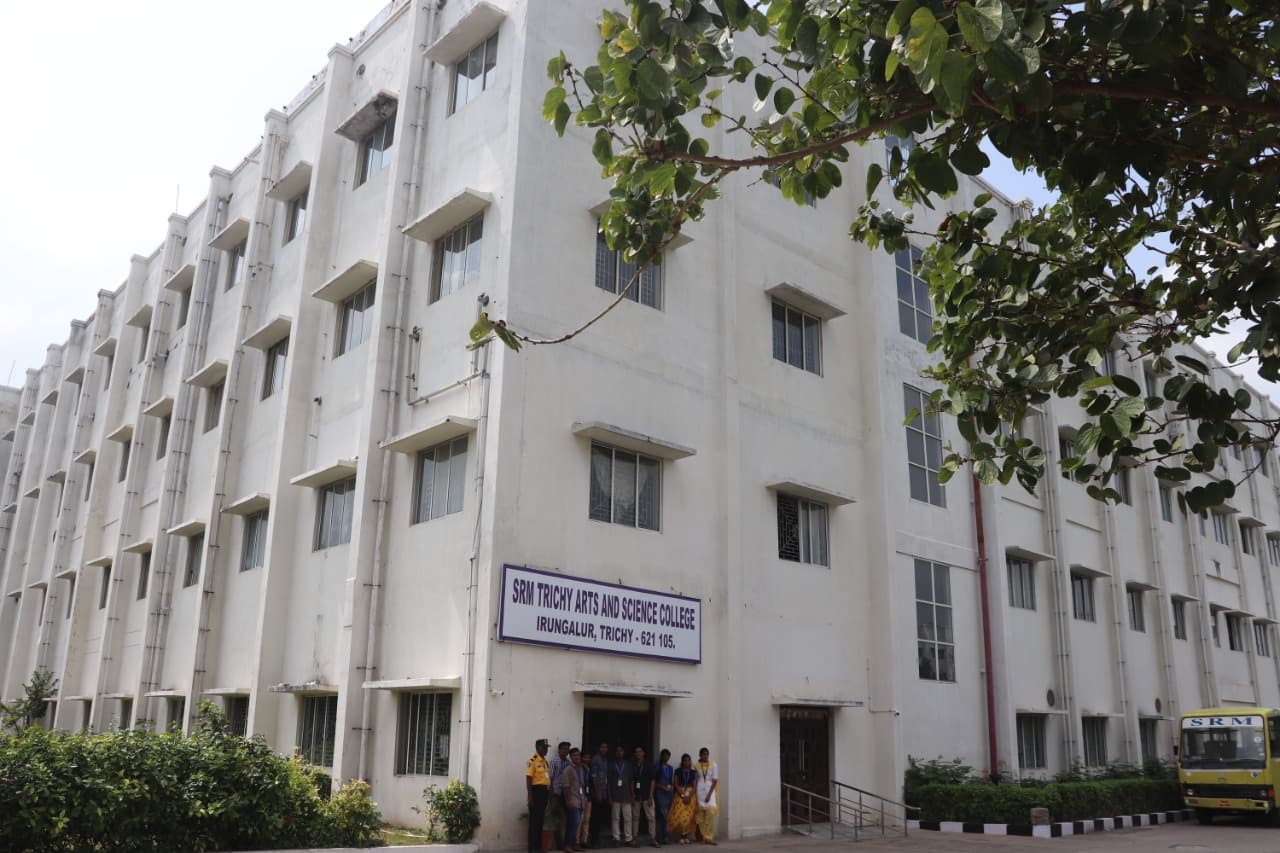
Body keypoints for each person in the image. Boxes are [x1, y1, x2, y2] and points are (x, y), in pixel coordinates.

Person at [526, 738, 552, 853]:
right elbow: (528, 779)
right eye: (544, 747)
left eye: (547, 748)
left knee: (540, 821)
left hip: (544, 792)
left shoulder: (545, 761)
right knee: (534, 822)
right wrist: (530, 797)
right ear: (537, 748)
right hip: (536, 792)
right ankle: (532, 848)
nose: (546, 750)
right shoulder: (532, 761)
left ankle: (538, 847)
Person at [607, 744, 635, 846]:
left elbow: (631, 781)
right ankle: (616, 838)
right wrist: (609, 797)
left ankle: (628, 838)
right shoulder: (611, 765)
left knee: (628, 818)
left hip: (626, 795)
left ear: (624, 752)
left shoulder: (628, 765)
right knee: (615, 818)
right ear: (615, 753)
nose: (619, 752)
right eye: (617, 751)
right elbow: (608, 782)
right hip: (615, 795)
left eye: (621, 751)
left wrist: (632, 795)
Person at [560, 747, 587, 853]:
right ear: (571, 757)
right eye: (574, 755)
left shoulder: (581, 768)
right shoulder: (568, 769)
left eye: (578, 755)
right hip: (572, 800)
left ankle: (574, 844)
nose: (577, 757)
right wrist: (568, 801)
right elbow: (566, 786)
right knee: (573, 823)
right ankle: (567, 845)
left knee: (577, 823)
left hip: (580, 800)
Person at [668, 754, 697, 845]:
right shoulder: (678, 771)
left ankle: (686, 836)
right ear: (682, 761)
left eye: (688, 760)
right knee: (680, 816)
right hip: (680, 794)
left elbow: (694, 786)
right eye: (685, 760)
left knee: (688, 817)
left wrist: (689, 796)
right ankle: (681, 836)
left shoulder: (693, 772)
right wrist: (682, 795)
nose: (687, 762)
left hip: (690, 795)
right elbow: (676, 784)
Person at [630, 746, 655, 846]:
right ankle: (635, 837)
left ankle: (652, 838)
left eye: (640, 752)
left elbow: (652, 781)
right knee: (635, 817)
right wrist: (632, 794)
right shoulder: (633, 765)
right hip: (636, 796)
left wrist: (651, 796)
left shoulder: (648, 765)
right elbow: (631, 781)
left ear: (643, 753)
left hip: (646, 795)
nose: (638, 754)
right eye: (636, 752)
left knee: (651, 817)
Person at [694, 748, 718, 845]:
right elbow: (696, 780)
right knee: (701, 815)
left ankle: (709, 837)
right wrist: (694, 793)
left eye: (707, 754)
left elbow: (715, 781)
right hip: (700, 791)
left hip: (710, 791)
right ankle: (704, 837)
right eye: (703, 754)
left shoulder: (713, 764)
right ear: (700, 755)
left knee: (711, 813)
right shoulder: (696, 765)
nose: (705, 756)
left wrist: (709, 794)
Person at [550, 741, 572, 848]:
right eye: (564, 749)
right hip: (555, 793)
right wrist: (551, 793)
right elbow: (550, 778)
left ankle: (564, 842)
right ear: (559, 750)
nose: (565, 751)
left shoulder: (569, 763)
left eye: (567, 749)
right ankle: (559, 843)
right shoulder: (554, 761)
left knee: (565, 818)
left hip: (565, 793)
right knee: (555, 818)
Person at [652, 749, 674, 847]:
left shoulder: (670, 768)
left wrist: (671, 787)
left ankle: (663, 836)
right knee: (663, 814)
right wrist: (663, 787)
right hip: (660, 792)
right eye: (664, 755)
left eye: (667, 756)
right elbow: (654, 781)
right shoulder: (657, 766)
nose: (666, 757)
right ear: (661, 756)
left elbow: (670, 780)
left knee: (666, 815)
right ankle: (664, 837)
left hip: (668, 793)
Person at [590, 742, 611, 846]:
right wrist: (597, 792)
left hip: (604, 792)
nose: (604, 749)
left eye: (606, 747)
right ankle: (594, 840)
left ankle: (597, 838)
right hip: (597, 792)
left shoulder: (605, 760)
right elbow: (594, 776)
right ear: (599, 748)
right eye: (602, 747)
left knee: (601, 816)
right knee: (595, 816)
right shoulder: (596, 759)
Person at [577, 747, 594, 849]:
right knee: (580, 819)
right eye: (585, 757)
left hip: (588, 796)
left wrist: (589, 771)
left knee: (586, 820)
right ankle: (577, 841)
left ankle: (584, 840)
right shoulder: (578, 768)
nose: (587, 759)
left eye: (589, 758)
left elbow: (592, 781)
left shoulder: (590, 768)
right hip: (580, 797)